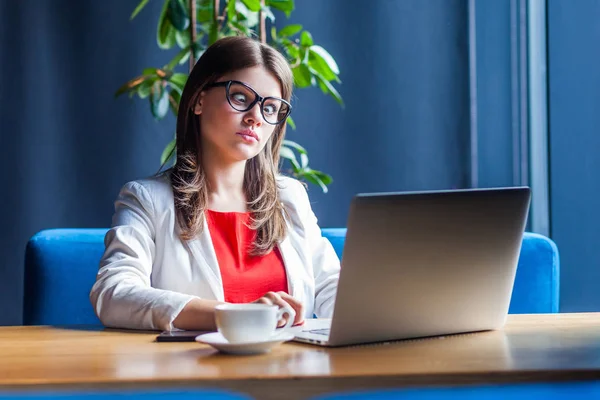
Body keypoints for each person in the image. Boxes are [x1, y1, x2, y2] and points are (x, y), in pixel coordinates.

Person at [89, 36, 340, 332]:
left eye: (270, 108)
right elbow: (114, 293)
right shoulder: (148, 199)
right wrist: (233, 314)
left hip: (291, 370)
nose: (255, 118)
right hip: (194, 371)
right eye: (241, 98)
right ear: (199, 100)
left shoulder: (290, 197)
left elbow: (332, 287)